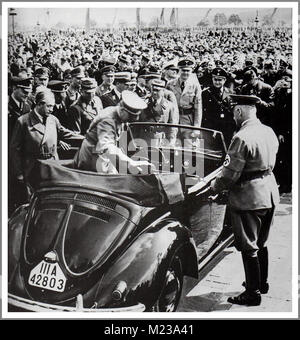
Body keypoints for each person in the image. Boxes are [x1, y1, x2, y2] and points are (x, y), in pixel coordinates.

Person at [205, 95, 280, 306]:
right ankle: (262, 283)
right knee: (262, 241)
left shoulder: (241, 137)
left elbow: (229, 174)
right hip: (269, 190)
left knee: (249, 246)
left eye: (234, 112)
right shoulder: (268, 131)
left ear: (239, 112)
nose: (233, 116)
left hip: (248, 196)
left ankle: (252, 292)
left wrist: (214, 187)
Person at [9, 89, 81, 211]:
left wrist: (87, 137)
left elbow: (65, 133)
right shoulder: (23, 121)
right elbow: (14, 149)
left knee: (51, 202)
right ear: (39, 104)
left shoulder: (52, 119)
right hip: (32, 169)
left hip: (52, 167)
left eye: (52, 106)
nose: (51, 109)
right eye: (49, 106)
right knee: (32, 205)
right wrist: (19, 173)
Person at [74, 90, 154, 174]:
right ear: (123, 110)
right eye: (132, 116)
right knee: (102, 183)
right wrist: (131, 162)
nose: (135, 119)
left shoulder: (117, 113)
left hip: (105, 154)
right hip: (93, 156)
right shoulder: (108, 120)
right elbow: (106, 146)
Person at [166, 56, 202, 143]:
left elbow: (198, 108)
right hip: (173, 120)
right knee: (172, 145)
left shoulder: (195, 86)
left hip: (188, 120)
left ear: (191, 71)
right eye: (183, 70)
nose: (185, 73)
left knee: (188, 146)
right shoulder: (170, 84)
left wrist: (196, 128)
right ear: (179, 70)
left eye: (188, 70)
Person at [201, 67, 236, 147]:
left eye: (220, 80)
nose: (217, 82)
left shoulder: (231, 93)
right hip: (211, 128)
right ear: (212, 79)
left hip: (226, 129)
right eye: (215, 79)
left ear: (225, 80)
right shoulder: (205, 93)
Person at [140, 79, 179, 146]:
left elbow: (172, 127)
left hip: (161, 141)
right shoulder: (143, 103)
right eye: (153, 90)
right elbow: (138, 124)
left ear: (163, 91)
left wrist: (171, 142)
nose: (155, 92)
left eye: (157, 90)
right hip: (145, 140)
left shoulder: (169, 106)